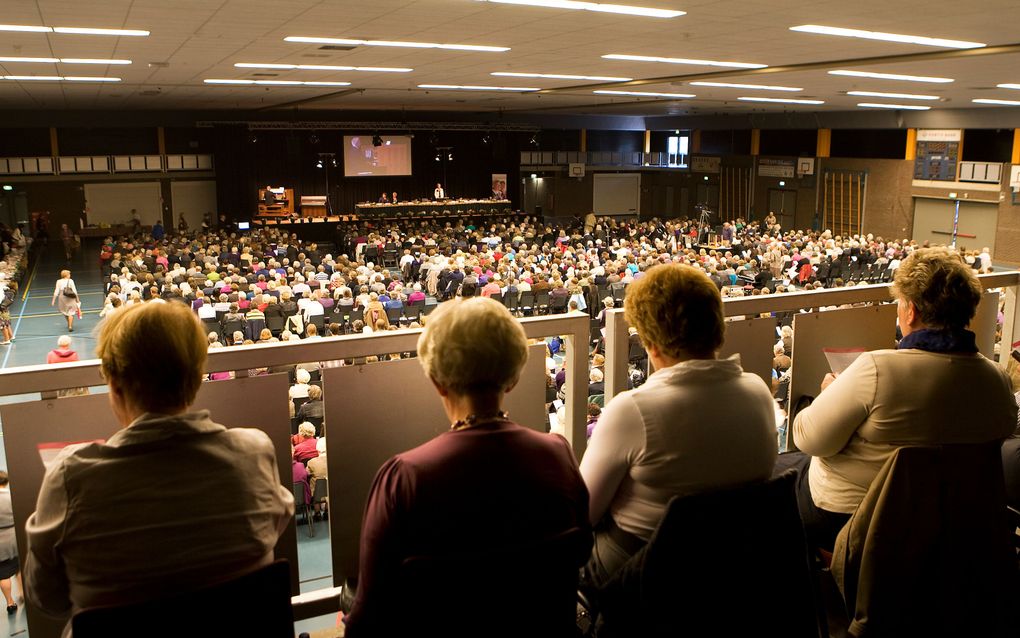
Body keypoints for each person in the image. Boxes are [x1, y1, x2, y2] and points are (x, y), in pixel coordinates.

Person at [24, 302, 293, 624]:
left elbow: (46, 598)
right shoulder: (253, 452)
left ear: (113, 382)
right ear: (196, 376)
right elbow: (276, 521)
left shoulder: (70, 477)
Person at [344, 297, 590, 636]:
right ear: (513, 379)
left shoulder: (403, 478)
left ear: (436, 381)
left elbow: (365, 623)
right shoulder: (557, 454)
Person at [785, 247, 1018, 550]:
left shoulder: (878, 370)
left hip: (858, 523)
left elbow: (809, 439)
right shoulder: (997, 380)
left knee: (781, 479)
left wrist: (827, 394)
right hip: (952, 529)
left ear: (911, 311)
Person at [579, 264, 777, 587]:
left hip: (645, 580)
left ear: (652, 344)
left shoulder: (632, 411)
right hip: (736, 570)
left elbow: (581, 514)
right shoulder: (759, 392)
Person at [0, 472, 22, 615]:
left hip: (0, 542)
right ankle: (24, 595)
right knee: (19, 568)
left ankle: (10, 603)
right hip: (15, 536)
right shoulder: (13, 496)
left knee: (3, 573)